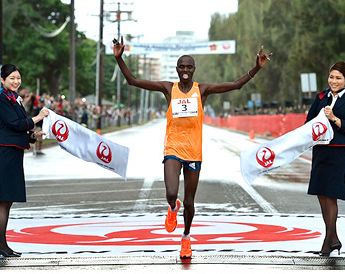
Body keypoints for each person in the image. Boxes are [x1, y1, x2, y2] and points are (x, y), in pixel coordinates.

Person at [113, 36, 272, 258]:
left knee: (189, 201)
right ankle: (171, 207)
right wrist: (120, 59)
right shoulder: (168, 88)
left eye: (189, 66)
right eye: (182, 66)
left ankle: (186, 238)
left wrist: (256, 67)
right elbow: (133, 81)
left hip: (194, 153)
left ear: (194, 69)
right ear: (177, 69)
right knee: (171, 193)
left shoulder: (202, 90)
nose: (185, 70)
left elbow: (235, 85)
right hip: (173, 148)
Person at [0, 64, 49, 257]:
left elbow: (19, 129)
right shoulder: (2, 99)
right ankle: (0, 244)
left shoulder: (14, 99)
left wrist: (34, 135)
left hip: (14, 152)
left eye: (18, 77)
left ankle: (2, 244)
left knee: (8, 200)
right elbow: (15, 124)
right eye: (11, 78)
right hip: (6, 153)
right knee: (3, 199)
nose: (16, 81)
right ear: (3, 80)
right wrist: (38, 117)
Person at [305, 61, 345, 257]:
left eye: (338, 78)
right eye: (331, 77)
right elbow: (308, 121)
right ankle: (334, 238)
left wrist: (334, 118)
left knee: (331, 195)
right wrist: (319, 119)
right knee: (321, 194)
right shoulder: (321, 97)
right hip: (320, 150)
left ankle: (327, 243)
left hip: (337, 152)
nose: (334, 81)